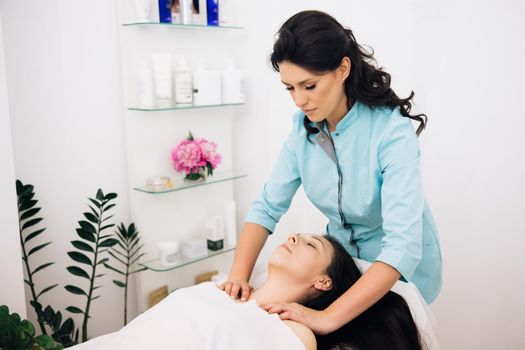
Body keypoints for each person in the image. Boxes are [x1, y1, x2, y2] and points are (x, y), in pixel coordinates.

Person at [220, 9, 443, 335]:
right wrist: (238, 275)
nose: (299, 100)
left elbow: (402, 247)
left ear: (342, 69)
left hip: (397, 270)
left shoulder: (390, 132)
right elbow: (267, 207)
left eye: (309, 86)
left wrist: (327, 318)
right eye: (290, 88)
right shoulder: (303, 131)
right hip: (342, 264)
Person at [71, 234, 425, 350]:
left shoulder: (295, 331)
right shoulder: (217, 289)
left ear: (323, 282)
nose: (292, 237)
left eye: (309, 244)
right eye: (294, 235)